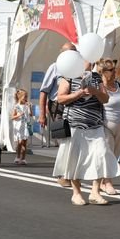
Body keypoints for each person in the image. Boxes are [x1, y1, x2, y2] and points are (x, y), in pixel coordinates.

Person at [52, 60, 119, 205]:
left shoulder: (95, 77)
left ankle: (95, 192)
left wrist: (95, 92)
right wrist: (78, 94)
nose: (89, 61)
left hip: (95, 125)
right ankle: (76, 193)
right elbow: (61, 98)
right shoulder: (68, 76)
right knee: (75, 158)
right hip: (75, 125)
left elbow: (105, 98)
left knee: (101, 155)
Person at [38, 43, 77, 186]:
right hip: (58, 106)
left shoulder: (79, 67)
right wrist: (42, 114)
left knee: (73, 140)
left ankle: (70, 173)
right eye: (69, 52)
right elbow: (44, 91)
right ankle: (63, 174)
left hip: (75, 105)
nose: (73, 54)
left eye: (75, 51)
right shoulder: (55, 67)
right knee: (64, 140)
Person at [99, 58, 120, 195]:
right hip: (106, 124)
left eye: (114, 69)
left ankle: (101, 182)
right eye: (111, 70)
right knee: (107, 154)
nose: (114, 72)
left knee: (115, 155)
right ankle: (108, 182)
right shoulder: (100, 87)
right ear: (103, 72)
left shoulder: (119, 85)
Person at [12, 88, 32, 165]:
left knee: (24, 142)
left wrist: (30, 107)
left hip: (25, 126)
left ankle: (23, 158)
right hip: (18, 126)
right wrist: (19, 115)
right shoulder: (16, 106)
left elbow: (31, 115)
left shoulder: (27, 106)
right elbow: (12, 117)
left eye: (27, 97)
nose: (26, 99)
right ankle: (17, 156)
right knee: (19, 142)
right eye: (25, 97)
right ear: (20, 97)